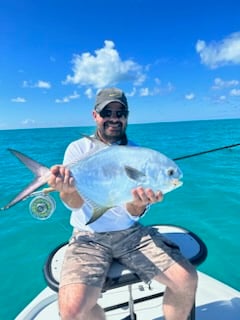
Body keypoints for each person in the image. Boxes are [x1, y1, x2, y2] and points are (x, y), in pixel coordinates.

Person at [48, 88, 198, 320]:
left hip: (130, 234)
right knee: (71, 310)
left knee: (186, 280)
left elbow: (133, 212)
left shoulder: (137, 153)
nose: (114, 118)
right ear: (95, 115)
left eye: (120, 113)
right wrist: (67, 190)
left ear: (127, 116)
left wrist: (139, 205)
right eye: (107, 112)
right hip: (88, 237)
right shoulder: (78, 149)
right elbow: (74, 204)